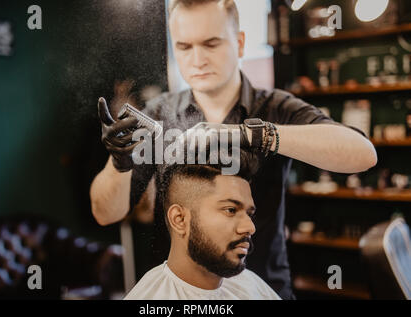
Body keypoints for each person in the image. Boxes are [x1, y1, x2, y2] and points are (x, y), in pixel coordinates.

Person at [90, 0, 377, 299]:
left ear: (239, 43)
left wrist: (255, 135)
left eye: (211, 44)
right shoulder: (159, 116)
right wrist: (119, 163)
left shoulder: (275, 108)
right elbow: (105, 213)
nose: (197, 59)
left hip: (262, 288)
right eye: (185, 47)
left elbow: (363, 154)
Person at [124, 157, 281, 300]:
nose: (250, 227)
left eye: (249, 214)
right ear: (179, 219)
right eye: (231, 210)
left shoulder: (249, 285)